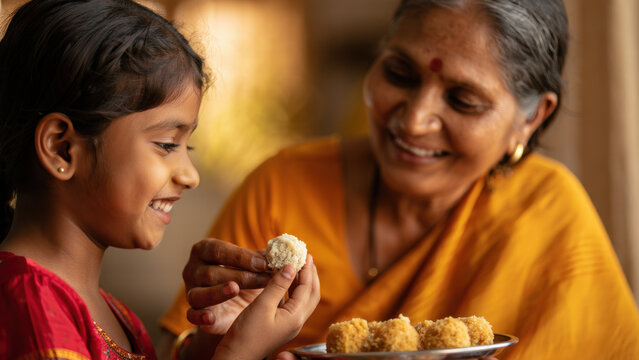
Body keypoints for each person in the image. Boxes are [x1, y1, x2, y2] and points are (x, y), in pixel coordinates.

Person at [161, 0, 639, 359]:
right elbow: (177, 347)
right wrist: (213, 342)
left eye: (463, 100)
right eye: (399, 73)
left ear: (531, 120)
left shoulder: (547, 214)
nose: (414, 121)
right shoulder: (285, 186)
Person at [0, 1, 320, 359]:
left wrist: (215, 343)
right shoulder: (29, 305)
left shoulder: (119, 317)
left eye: (188, 145)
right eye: (167, 145)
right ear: (62, 149)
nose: (190, 175)